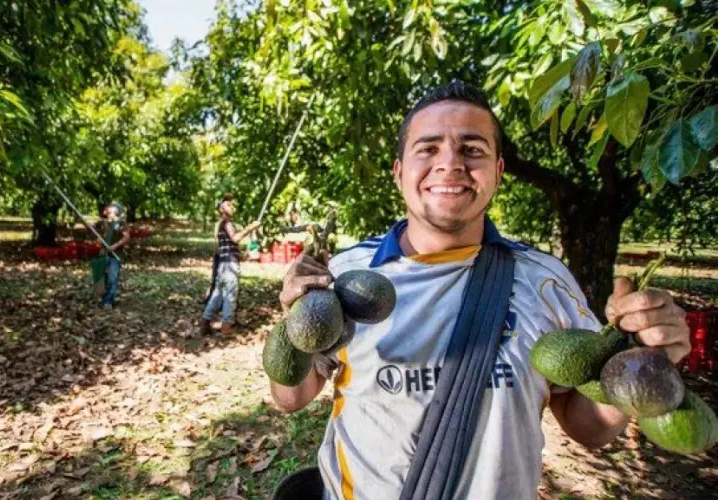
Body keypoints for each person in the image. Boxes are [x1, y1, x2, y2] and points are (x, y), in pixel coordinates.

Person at [271, 81, 690, 499]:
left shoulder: (546, 281)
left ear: (498, 171)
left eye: (472, 149)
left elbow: (589, 430)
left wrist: (639, 362)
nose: (450, 163)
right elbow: (291, 397)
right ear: (399, 172)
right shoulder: (344, 275)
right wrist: (294, 322)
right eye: (428, 148)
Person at [200, 194, 261, 335]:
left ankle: (205, 324)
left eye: (232, 204)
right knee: (230, 298)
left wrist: (242, 256)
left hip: (223, 265)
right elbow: (236, 238)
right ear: (221, 209)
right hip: (230, 267)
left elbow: (228, 247)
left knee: (217, 296)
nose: (232, 207)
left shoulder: (221, 225)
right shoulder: (227, 223)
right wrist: (251, 227)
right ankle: (226, 329)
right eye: (228, 205)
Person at [97, 202, 130, 310]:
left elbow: (126, 238)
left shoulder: (121, 223)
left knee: (112, 278)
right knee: (103, 279)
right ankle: (109, 300)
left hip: (115, 255)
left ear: (115, 211)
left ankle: (107, 302)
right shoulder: (103, 223)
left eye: (110, 207)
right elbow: (96, 234)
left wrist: (115, 246)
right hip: (103, 254)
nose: (107, 208)